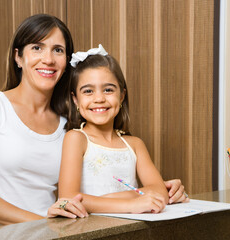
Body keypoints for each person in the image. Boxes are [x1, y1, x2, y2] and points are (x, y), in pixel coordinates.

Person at [0, 14, 186, 232]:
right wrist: (43, 225)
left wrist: (163, 190)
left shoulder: (68, 125)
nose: (48, 59)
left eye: (58, 50)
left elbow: (100, 177)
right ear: (18, 57)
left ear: (66, 62)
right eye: (37, 47)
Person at [57, 45, 188, 214]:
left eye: (108, 90)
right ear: (75, 99)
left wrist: (97, 200)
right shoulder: (76, 139)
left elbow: (159, 192)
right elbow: (68, 199)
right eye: (88, 91)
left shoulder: (135, 145)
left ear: (122, 96)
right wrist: (132, 203)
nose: (99, 98)